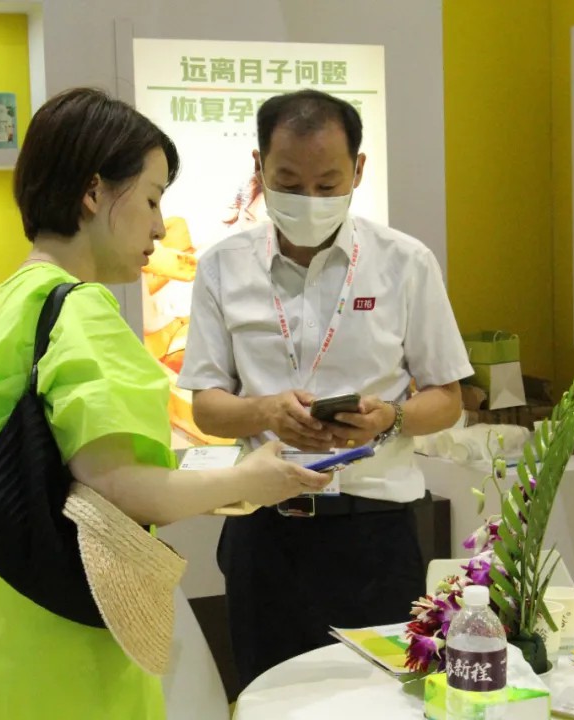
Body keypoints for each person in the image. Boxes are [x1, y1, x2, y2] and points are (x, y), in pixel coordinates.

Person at [0, 87, 328, 720]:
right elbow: (127, 489)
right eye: (153, 198)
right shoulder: (81, 312)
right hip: (69, 663)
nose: (160, 226)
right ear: (94, 191)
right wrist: (250, 480)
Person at [176, 89, 474, 689]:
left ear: (358, 170)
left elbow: (448, 397)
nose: (308, 199)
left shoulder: (404, 263)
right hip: (265, 532)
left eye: (327, 182)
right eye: (288, 181)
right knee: (268, 698)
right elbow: (206, 404)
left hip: (375, 531)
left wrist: (388, 417)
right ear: (258, 168)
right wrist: (264, 411)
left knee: (384, 702)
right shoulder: (221, 267)